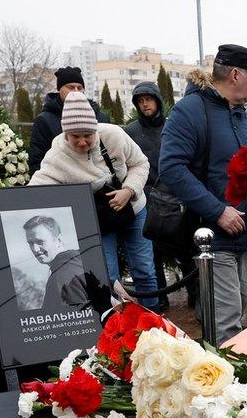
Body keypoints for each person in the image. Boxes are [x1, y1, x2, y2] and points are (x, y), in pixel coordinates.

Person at [158, 44, 247, 344]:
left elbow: (244, 167)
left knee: (238, 315)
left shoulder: (241, 116)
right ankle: (226, 388)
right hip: (213, 238)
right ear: (234, 74)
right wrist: (217, 211)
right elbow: (171, 167)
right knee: (227, 327)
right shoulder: (191, 110)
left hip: (245, 234)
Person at [29, 91, 157, 310]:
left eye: (87, 135)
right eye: (74, 136)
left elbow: (140, 164)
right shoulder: (57, 155)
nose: (81, 142)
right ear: (65, 133)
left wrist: (129, 190)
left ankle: (153, 317)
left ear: (95, 129)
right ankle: (118, 327)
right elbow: (35, 189)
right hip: (97, 218)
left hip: (133, 209)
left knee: (144, 269)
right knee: (106, 274)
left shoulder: (114, 135)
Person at [124, 81, 189, 312]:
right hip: (146, 197)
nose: (145, 104)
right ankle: (160, 297)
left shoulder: (173, 126)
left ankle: (194, 293)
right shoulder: (130, 132)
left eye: (148, 99)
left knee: (185, 247)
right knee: (153, 252)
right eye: (140, 101)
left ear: (157, 101)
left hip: (176, 195)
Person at [29, 67, 110, 174]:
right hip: (63, 184)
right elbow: (37, 160)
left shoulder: (100, 116)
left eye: (80, 88)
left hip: (102, 180)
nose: (76, 91)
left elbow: (112, 152)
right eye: (71, 87)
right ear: (59, 89)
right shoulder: (44, 121)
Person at [23, 215, 88, 309]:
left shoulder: (63, 275)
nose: (35, 249)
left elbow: (76, 319)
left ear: (59, 239)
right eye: (30, 243)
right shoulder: (77, 263)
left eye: (40, 241)